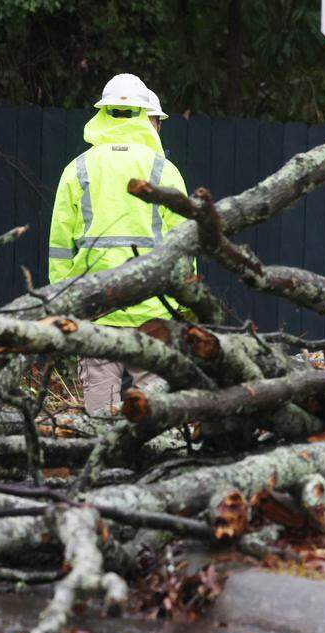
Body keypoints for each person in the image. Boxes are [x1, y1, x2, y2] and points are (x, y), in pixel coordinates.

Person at [48, 73, 188, 415]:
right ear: (147, 117)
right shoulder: (164, 170)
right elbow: (185, 244)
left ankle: (99, 463)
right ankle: (154, 464)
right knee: (155, 412)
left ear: (104, 113)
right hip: (154, 313)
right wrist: (184, 305)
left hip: (96, 311)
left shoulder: (77, 169)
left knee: (98, 416)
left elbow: (60, 247)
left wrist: (65, 302)